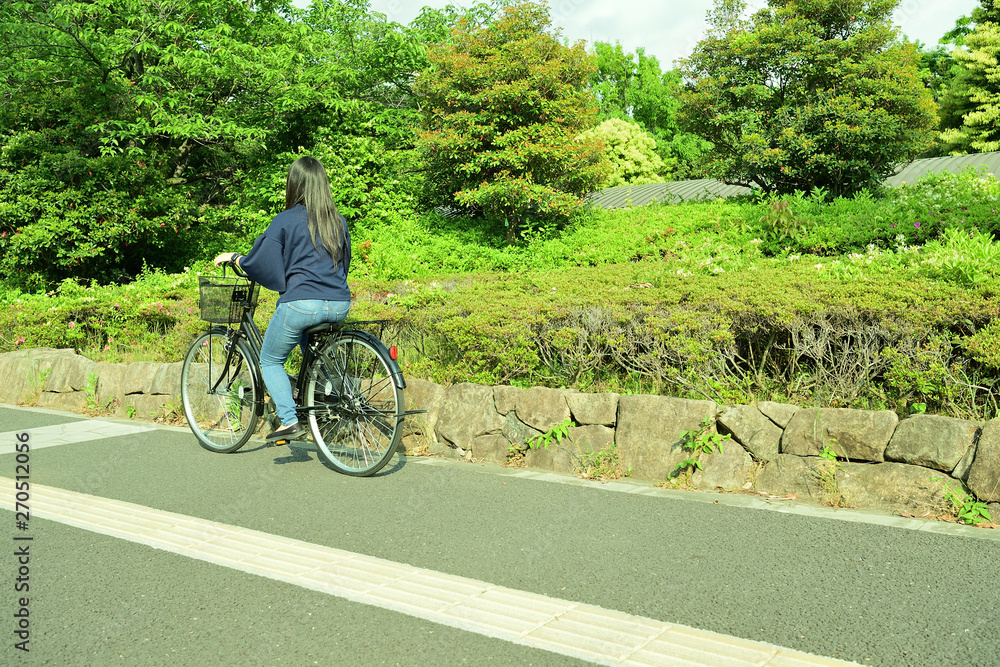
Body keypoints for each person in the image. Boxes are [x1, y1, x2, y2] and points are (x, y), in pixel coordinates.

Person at [213, 156, 351, 442]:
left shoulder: (286, 220)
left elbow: (259, 260)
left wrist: (236, 258)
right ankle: (322, 394)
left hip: (302, 305)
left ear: (294, 185)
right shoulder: (337, 221)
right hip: (339, 303)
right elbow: (344, 263)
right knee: (308, 347)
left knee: (271, 360)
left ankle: (288, 420)